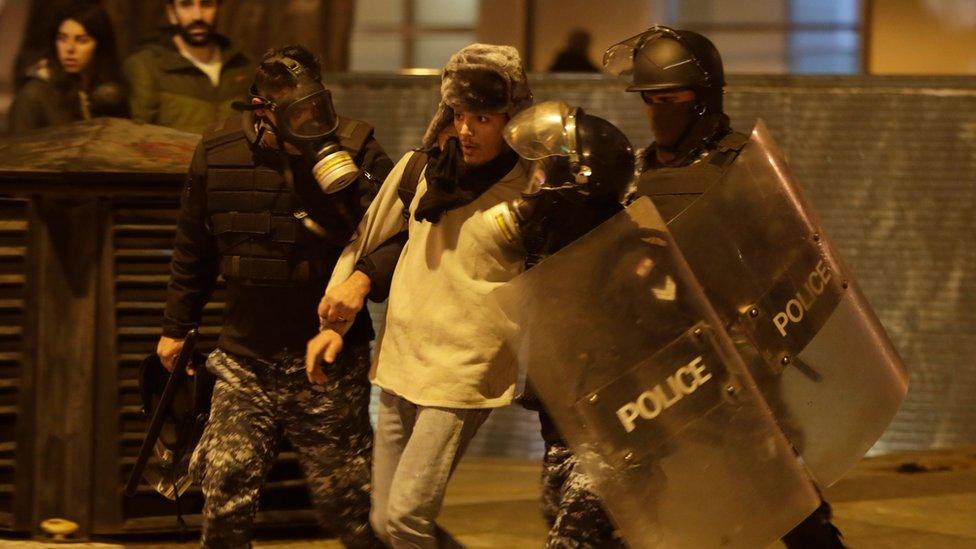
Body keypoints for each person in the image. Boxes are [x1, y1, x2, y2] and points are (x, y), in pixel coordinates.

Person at [605, 25, 847, 549]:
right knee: (647, 507)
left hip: (735, 363)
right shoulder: (638, 171)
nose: (656, 111)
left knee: (782, 498)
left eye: (668, 99)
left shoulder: (743, 167)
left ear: (703, 98)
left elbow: (790, 257)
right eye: (648, 100)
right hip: (661, 366)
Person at [157, 44, 393, 547]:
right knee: (224, 488)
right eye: (295, 112)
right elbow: (193, 244)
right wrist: (176, 328)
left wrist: (361, 279)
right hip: (245, 359)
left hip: (330, 362)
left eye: (315, 107)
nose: (310, 121)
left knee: (350, 508)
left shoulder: (357, 150)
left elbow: (401, 234)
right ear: (263, 110)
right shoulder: (219, 153)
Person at [305, 43, 535, 548]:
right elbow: (368, 241)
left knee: (408, 518)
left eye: (484, 117)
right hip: (402, 360)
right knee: (387, 522)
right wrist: (332, 325)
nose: (468, 129)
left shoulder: (531, 191)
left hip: (464, 371)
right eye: (459, 114)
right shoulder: (420, 171)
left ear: (511, 119)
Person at [489, 100, 636, 547]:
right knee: (560, 515)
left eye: (547, 174)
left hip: (608, 433)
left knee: (572, 538)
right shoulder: (554, 247)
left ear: (579, 182)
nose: (535, 188)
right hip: (561, 422)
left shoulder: (624, 253)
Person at [123, 0, 251, 133]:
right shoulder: (147, 66)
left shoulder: (242, 63)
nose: (198, 16)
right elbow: (139, 138)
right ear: (171, 12)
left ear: (219, 8)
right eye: (186, 4)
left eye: (206, 4)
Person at [7, 3, 129, 132]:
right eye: (62, 38)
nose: (69, 48)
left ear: (100, 45)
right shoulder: (34, 95)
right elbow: (19, 148)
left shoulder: (108, 93)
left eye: (81, 40)